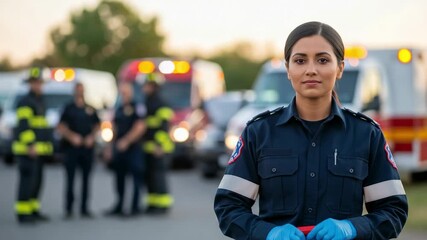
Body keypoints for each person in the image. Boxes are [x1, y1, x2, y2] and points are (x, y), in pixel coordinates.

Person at [214, 21, 408, 240]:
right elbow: (229, 207)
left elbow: (393, 212)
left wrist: (352, 228)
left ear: (340, 68)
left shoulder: (366, 134)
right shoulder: (258, 133)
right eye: (300, 60)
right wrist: (268, 233)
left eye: (323, 60)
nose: (311, 70)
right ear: (288, 69)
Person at [13, 67, 54, 224]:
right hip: (27, 150)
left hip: (40, 150)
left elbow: (42, 126)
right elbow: (24, 127)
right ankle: (23, 213)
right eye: (35, 83)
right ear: (30, 84)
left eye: (40, 83)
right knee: (27, 182)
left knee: (37, 182)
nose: (38, 86)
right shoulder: (25, 102)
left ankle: (33, 209)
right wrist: (30, 145)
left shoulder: (40, 101)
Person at [57, 82, 100, 219]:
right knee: (70, 179)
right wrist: (72, 137)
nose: (80, 92)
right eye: (77, 90)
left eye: (81, 90)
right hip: (71, 149)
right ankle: (69, 208)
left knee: (86, 179)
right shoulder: (68, 108)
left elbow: (97, 125)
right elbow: (61, 127)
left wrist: (91, 137)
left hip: (87, 149)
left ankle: (84, 208)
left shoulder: (90, 108)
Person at [105, 82, 146, 217]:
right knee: (119, 179)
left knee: (135, 178)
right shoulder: (119, 109)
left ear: (131, 92)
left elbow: (140, 127)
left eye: (126, 92)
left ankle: (134, 207)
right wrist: (110, 148)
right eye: (122, 93)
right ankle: (119, 205)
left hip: (133, 149)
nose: (124, 95)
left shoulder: (137, 107)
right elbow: (114, 129)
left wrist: (126, 141)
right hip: (119, 149)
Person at [140, 73, 175, 214]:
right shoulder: (147, 101)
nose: (144, 88)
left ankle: (163, 204)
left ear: (153, 87)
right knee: (149, 177)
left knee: (158, 177)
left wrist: (159, 146)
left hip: (159, 147)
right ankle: (152, 203)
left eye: (146, 85)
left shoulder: (160, 103)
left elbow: (163, 128)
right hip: (148, 147)